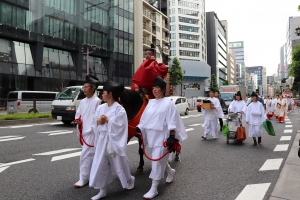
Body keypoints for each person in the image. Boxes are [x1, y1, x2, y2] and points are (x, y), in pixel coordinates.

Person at [136, 76, 187, 199]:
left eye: (157, 87)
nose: (154, 90)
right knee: (158, 159)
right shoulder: (151, 103)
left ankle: (154, 188)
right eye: (153, 88)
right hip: (151, 136)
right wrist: (139, 127)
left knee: (156, 161)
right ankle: (170, 171)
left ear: (163, 90)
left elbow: (172, 121)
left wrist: (172, 136)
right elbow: (144, 118)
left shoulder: (168, 104)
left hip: (162, 136)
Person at [89, 80, 135, 200]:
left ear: (110, 94)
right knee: (100, 164)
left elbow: (121, 125)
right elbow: (95, 121)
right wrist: (98, 121)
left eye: (104, 92)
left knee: (119, 164)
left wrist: (108, 120)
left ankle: (129, 179)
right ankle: (102, 190)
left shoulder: (119, 109)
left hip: (113, 140)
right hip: (102, 139)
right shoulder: (101, 108)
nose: (102, 95)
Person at [74, 75, 101, 188]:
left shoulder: (97, 101)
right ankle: (84, 178)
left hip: (93, 133)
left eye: (86, 87)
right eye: (83, 87)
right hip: (85, 132)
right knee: (86, 156)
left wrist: (91, 129)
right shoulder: (83, 102)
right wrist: (78, 120)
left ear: (93, 88)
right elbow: (78, 114)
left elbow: (97, 118)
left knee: (99, 157)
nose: (84, 89)